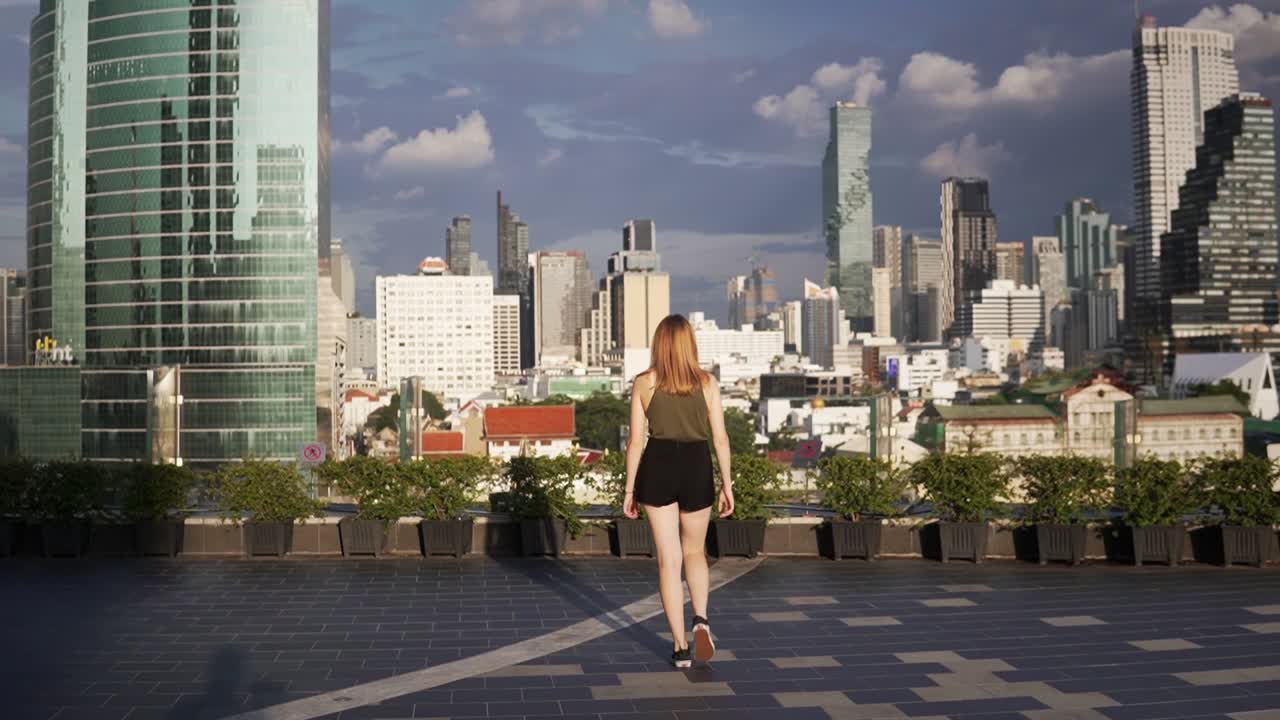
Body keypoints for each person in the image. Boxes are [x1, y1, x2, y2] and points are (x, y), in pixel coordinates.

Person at [623, 314, 735, 668]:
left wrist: (629, 490)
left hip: (657, 466)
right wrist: (727, 484)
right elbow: (720, 438)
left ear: (659, 344)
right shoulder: (707, 382)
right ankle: (700, 620)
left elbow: (635, 442)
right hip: (696, 465)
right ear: (690, 344)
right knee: (695, 552)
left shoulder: (644, 383)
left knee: (668, 561)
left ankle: (680, 646)